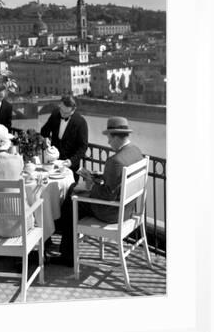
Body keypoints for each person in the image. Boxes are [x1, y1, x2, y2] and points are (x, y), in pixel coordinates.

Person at [52, 116, 144, 266]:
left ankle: (67, 255)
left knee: (71, 199)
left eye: (109, 138)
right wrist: (100, 177)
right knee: (74, 194)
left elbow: (106, 195)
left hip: (111, 213)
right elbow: (117, 181)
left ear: (115, 137)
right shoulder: (135, 151)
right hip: (128, 210)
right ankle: (67, 244)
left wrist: (90, 184)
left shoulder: (115, 161)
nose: (108, 142)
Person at [40, 94, 88, 180]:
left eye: (66, 113)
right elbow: (44, 131)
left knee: (68, 191)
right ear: (60, 105)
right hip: (53, 163)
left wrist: (71, 161)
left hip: (70, 166)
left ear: (73, 110)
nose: (62, 114)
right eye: (61, 110)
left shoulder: (81, 122)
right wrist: (46, 139)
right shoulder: (55, 114)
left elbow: (83, 147)